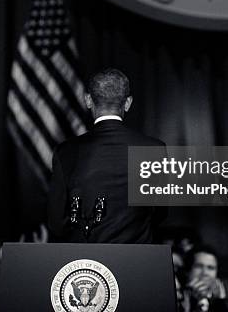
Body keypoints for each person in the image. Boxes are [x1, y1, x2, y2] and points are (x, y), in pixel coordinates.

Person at [47, 68, 166, 243]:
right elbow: (159, 214)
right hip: (138, 263)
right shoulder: (155, 149)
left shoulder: (66, 151)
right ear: (128, 103)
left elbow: (57, 222)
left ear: (88, 100)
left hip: (85, 264)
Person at [181, 246, 227, 312]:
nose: (205, 273)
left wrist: (221, 303)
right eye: (199, 266)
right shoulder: (177, 301)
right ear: (187, 271)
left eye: (210, 268)